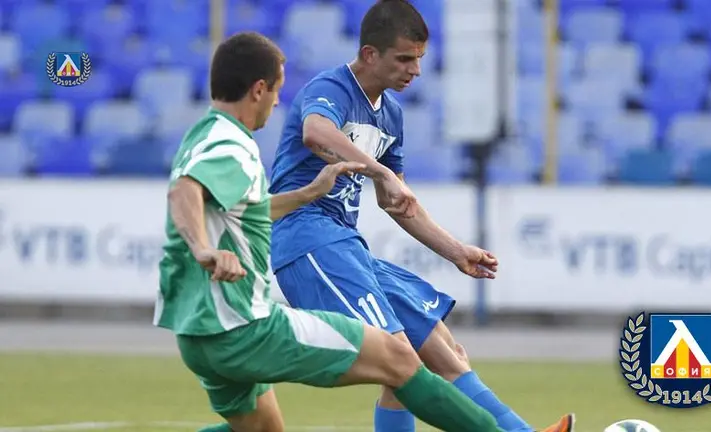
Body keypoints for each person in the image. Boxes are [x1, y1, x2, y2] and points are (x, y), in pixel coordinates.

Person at [153, 31, 510, 432]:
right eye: (277, 91)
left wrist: (308, 193)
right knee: (399, 358)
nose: (277, 102)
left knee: (265, 430)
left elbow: (247, 211)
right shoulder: (230, 142)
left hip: (196, 330)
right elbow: (184, 190)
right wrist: (203, 248)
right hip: (241, 325)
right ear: (258, 90)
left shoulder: (203, 133)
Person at [267, 1, 575, 432]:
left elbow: (399, 201)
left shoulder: (391, 115)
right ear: (370, 54)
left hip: (345, 244)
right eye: (404, 59)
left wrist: (455, 251)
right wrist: (378, 172)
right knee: (400, 360)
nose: (415, 70)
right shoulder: (332, 88)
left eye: (419, 59)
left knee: (442, 352)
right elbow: (316, 132)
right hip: (307, 241)